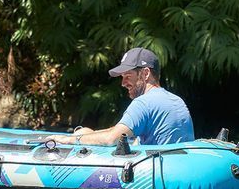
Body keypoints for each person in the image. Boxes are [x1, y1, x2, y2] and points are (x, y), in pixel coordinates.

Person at [50, 47, 193, 146]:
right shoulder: (176, 100)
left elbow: (111, 139)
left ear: (145, 73)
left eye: (128, 76)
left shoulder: (143, 103)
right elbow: (121, 130)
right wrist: (91, 134)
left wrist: (68, 140)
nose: (123, 83)